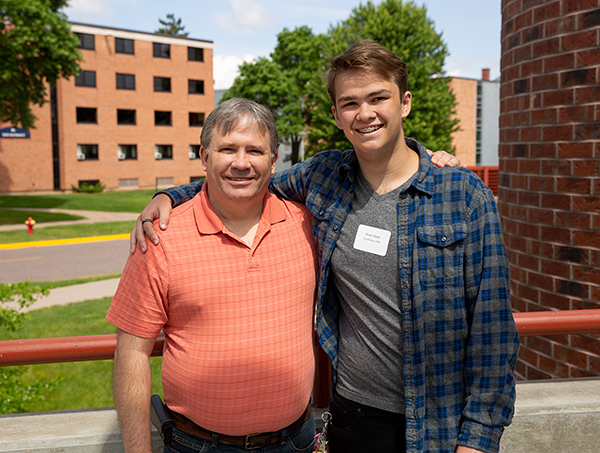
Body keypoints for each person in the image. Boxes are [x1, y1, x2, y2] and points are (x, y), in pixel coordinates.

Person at [132, 40, 519, 453]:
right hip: (350, 418)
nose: (365, 113)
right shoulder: (323, 179)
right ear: (336, 114)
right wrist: (171, 196)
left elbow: (493, 332)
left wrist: (477, 441)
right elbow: (245, 178)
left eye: (378, 98)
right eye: (350, 102)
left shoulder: (463, 196)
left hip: (437, 424)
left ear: (404, 103)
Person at [108, 98, 320, 453]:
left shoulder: (307, 224)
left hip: (296, 440)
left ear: (273, 159)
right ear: (204, 157)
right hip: (199, 445)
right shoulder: (160, 236)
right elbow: (131, 353)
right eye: (227, 149)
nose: (241, 163)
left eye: (254, 150)